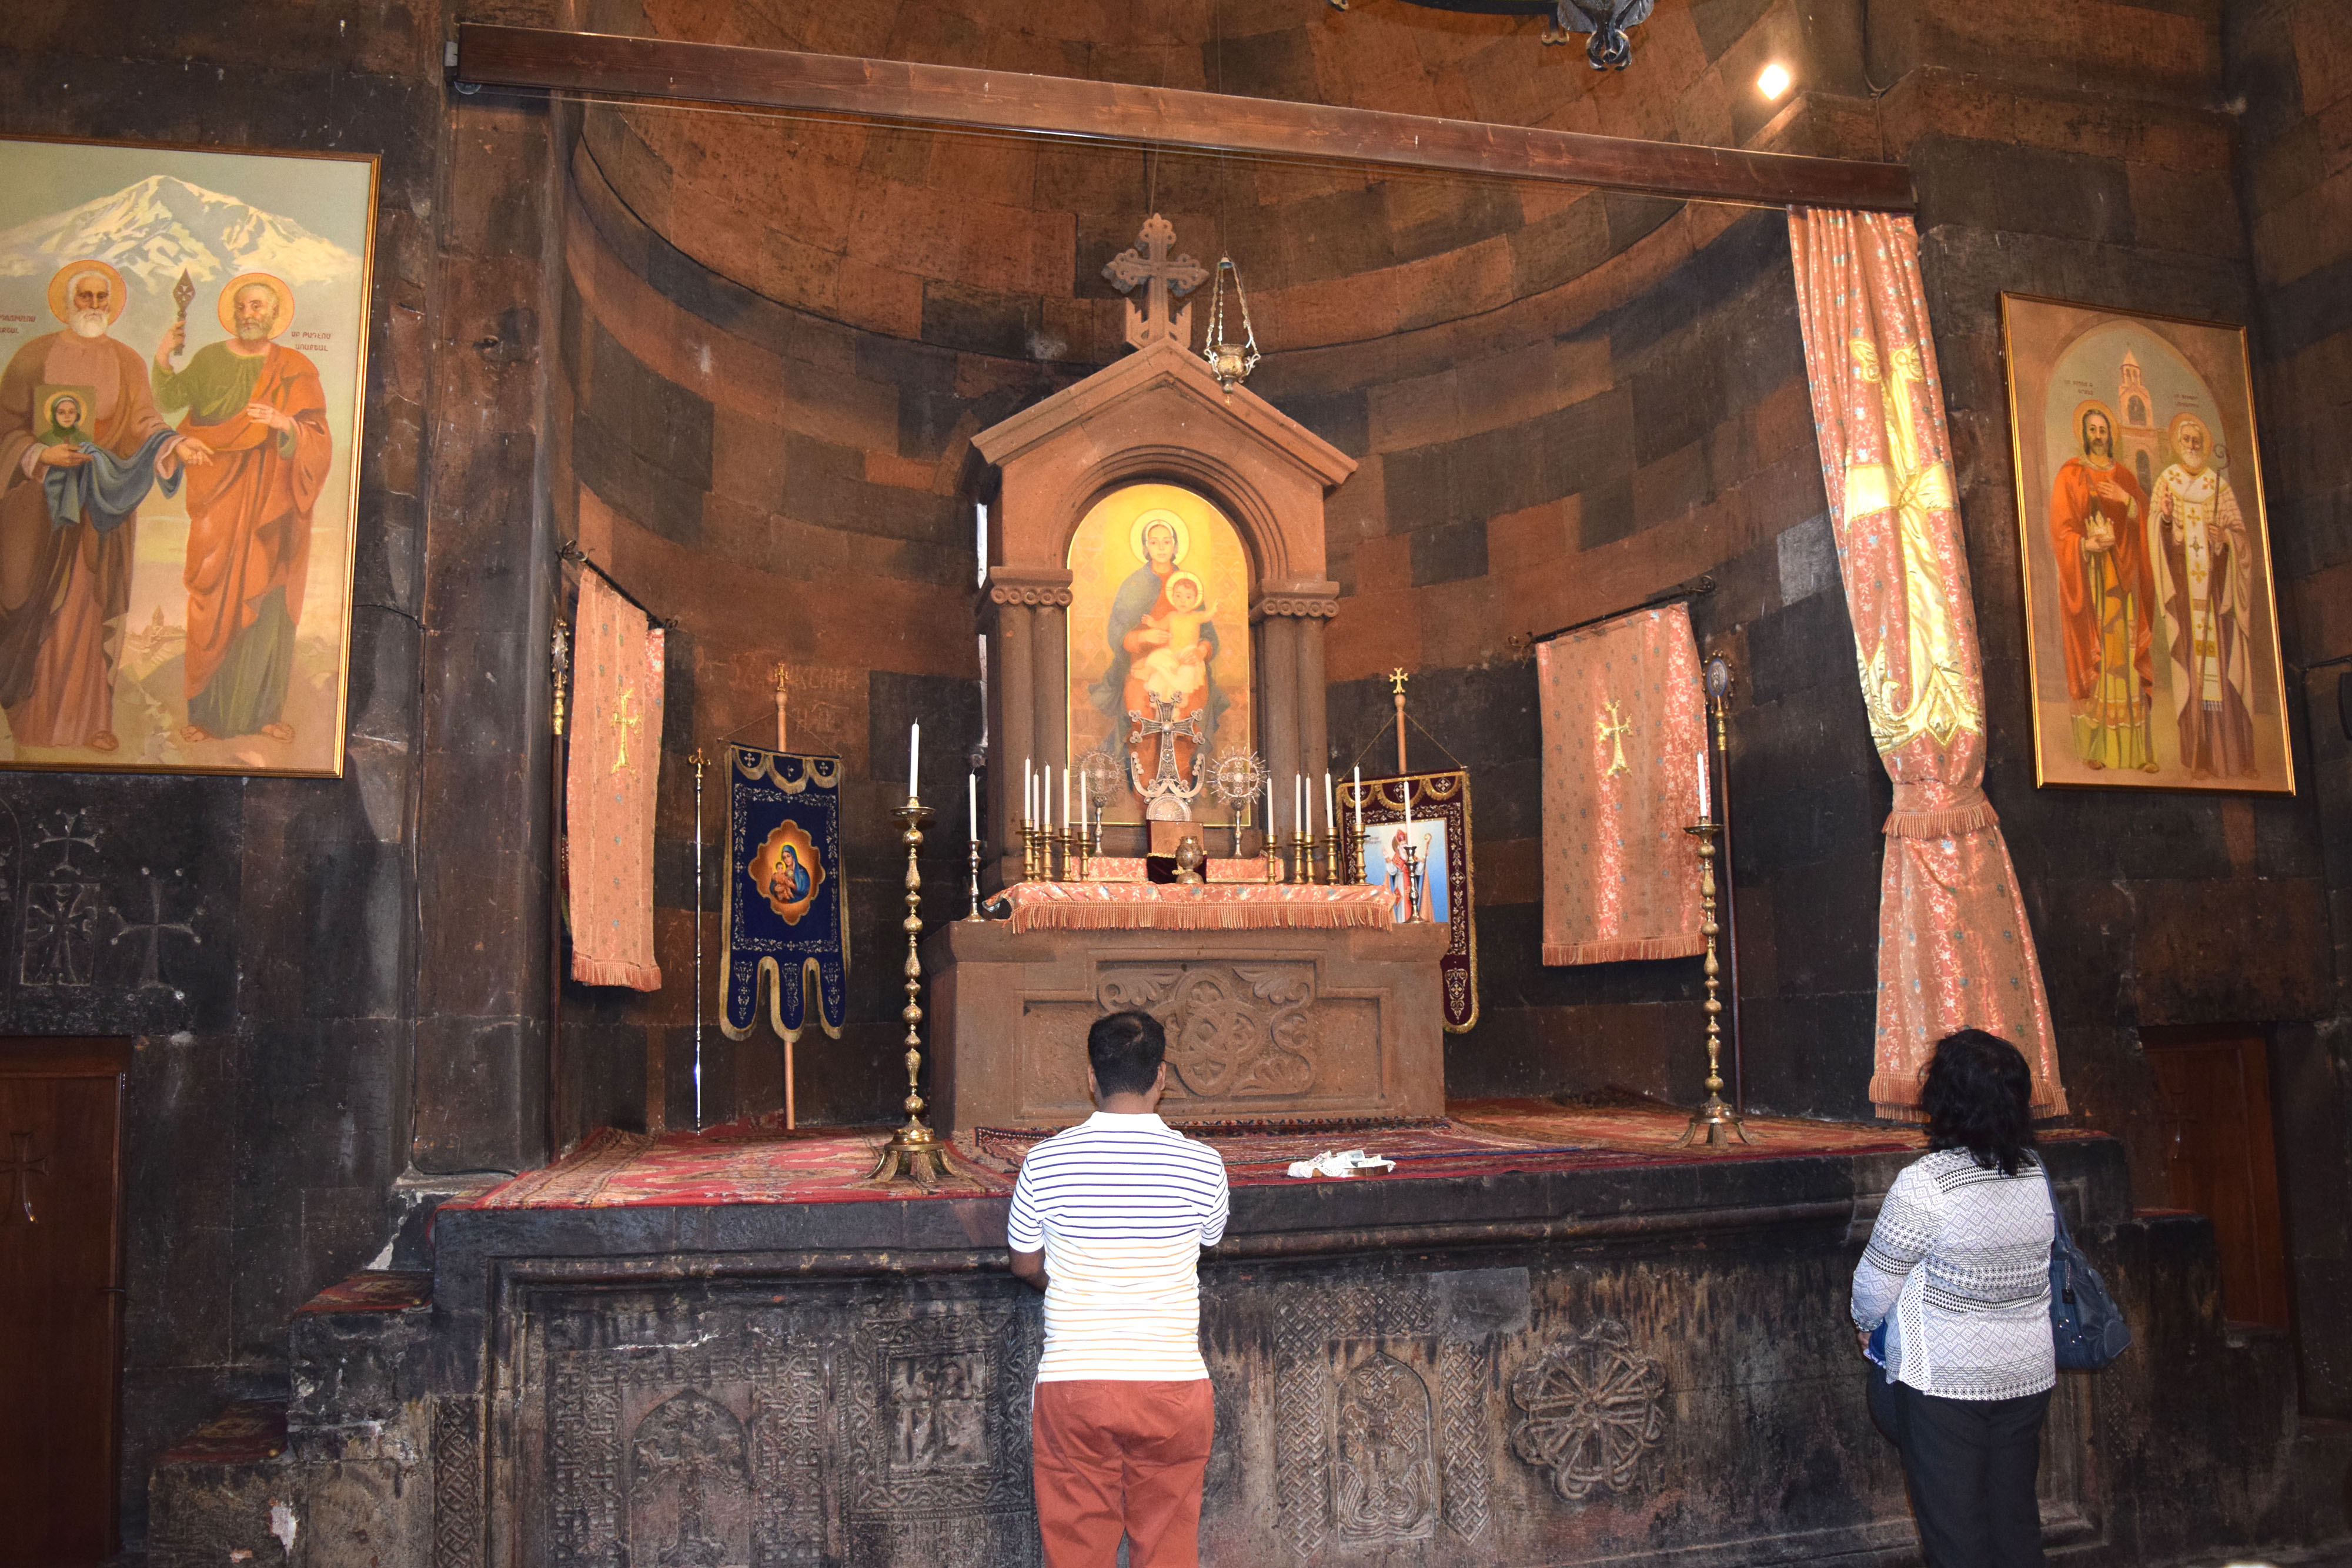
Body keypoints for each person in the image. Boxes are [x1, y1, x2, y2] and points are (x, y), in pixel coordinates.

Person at [1008, 1010, 1229, 1567]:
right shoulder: (1204, 1165)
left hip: (1075, 1383)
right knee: (1169, 1548)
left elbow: (1023, 1262)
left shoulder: (1044, 1161)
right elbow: (1207, 1239)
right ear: (1161, 1077)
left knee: (1078, 1553)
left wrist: (1065, 1278)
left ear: (1090, 1077)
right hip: (1174, 1384)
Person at [1852, 1028, 2056, 1568]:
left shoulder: (1928, 1184)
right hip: (2025, 1376)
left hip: (1946, 1384)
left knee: (1956, 1538)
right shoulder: (2035, 1173)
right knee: (2015, 1528)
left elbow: (1873, 1286)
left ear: (1945, 1099)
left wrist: (1864, 1323)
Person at [0, 261, 205, 752]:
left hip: (101, 509)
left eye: (101, 297)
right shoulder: (33, 356)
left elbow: (144, 422)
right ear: (69, 302)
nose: (93, 306)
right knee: (37, 604)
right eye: (85, 297)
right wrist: (40, 453)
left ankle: (92, 721)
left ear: (111, 304)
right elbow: (5, 428)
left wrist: (174, 445)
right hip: (38, 509)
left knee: (88, 609)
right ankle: (33, 724)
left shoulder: (127, 360)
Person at [153, 273, 332, 745]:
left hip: (273, 498)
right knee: (212, 594)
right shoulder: (211, 358)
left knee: (268, 597)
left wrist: (284, 423)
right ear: (233, 312)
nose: (249, 314)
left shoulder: (295, 366)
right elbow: (172, 400)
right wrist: (162, 360)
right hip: (218, 491)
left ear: (274, 316)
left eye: (258, 307)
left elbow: (317, 435)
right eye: (243, 306)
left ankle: (262, 713)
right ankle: (205, 715)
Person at [2046, 403, 2156, 771]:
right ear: (2084, 433)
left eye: (2103, 430)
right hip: (2092, 577)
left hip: (2123, 580)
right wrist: (2084, 545)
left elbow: (2145, 517)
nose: (2098, 435)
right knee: (2101, 658)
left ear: (2111, 435)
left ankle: (2135, 753)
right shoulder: (2071, 475)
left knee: (2124, 657)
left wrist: (2129, 503)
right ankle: (2095, 748)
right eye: (2092, 429)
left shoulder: (2124, 475)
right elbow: (2061, 530)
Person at [2150, 413, 2257, 778]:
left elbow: (2242, 541)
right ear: (2177, 444)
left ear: (2206, 444)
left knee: (2224, 669)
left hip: (2217, 597)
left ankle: (2232, 756)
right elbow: (2159, 540)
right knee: (2195, 673)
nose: (2193, 446)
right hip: (2186, 595)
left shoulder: (2219, 487)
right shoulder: (2168, 482)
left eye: (2198, 440)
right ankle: (2200, 757)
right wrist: (2165, 520)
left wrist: (2224, 539)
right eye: (2187, 440)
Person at [1133, 570, 1215, 706]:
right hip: (1172, 652)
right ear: (1173, 598)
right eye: (1179, 596)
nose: (1183, 601)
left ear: (1195, 600)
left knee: (1187, 672)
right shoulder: (1171, 616)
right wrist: (1151, 623)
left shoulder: (1195, 616)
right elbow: (1160, 625)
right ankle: (1148, 671)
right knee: (1157, 656)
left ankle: (1180, 700)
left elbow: (1207, 616)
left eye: (1189, 597)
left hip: (1188, 653)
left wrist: (1213, 611)